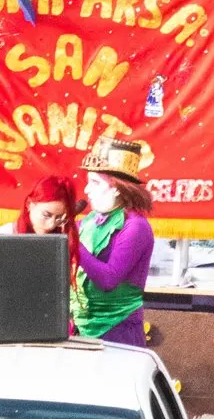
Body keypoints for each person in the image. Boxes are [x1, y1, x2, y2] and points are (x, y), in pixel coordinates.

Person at [75, 138, 155, 345]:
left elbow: (109, 280)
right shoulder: (90, 221)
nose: (86, 190)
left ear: (117, 187)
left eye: (94, 182)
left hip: (118, 331)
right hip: (81, 327)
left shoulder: (136, 227)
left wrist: (72, 243)